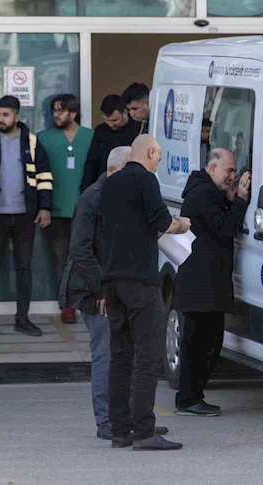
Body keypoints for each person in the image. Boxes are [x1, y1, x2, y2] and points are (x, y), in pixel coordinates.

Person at [100, 134, 191, 451]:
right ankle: (144, 431)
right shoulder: (146, 180)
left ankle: (119, 430)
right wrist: (182, 224)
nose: (159, 162)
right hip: (140, 280)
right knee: (148, 355)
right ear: (150, 152)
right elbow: (161, 222)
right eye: (159, 156)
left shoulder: (110, 184)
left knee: (120, 356)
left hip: (112, 280)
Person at [59, 146, 130, 440]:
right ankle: (106, 421)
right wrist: (102, 289)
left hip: (116, 287)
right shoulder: (93, 199)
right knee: (105, 354)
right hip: (93, 290)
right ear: (113, 170)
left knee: (125, 354)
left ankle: (126, 418)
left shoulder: (121, 195)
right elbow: (81, 251)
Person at [173, 149, 250, 416]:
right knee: (199, 344)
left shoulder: (207, 192)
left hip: (205, 283)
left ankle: (192, 396)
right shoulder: (203, 194)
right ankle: (188, 398)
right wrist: (239, 200)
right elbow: (224, 228)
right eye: (229, 170)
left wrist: (228, 201)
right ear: (213, 167)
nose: (233, 176)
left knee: (208, 341)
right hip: (201, 285)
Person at [0, 95, 53, 338]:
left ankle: (22, 319)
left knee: (24, 268)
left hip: (24, 216)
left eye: (5, 115)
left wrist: (45, 207)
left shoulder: (31, 141)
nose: (0, 119)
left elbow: (44, 175)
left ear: (16, 117)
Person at [38, 94, 94, 325]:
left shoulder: (91, 137)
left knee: (88, 258)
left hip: (87, 211)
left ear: (73, 113)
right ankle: (68, 305)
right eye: (54, 111)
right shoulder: (43, 138)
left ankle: (90, 300)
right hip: (57, 211)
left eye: (61, 111)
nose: (56, 115)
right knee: (62, 259)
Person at [80, 95, 143, 193]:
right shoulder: (101, 130)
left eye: (114, 120)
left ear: (125, 113)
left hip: (129, 187)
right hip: (103, 186)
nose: (110, 124)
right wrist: (86, 190)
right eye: (106, 120)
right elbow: (91, 163)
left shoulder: (138, 129)